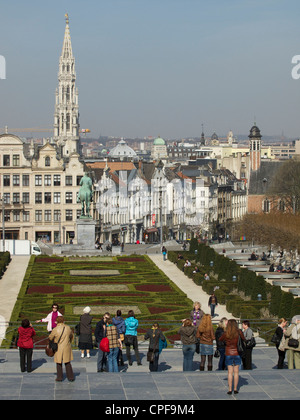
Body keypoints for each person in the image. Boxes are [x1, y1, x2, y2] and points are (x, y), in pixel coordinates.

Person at [219, 319, 246, 395]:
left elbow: (220, 339)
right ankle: (236, 388)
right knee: (236, 372)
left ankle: (230, 389)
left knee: (230, 372)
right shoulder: (238, 332)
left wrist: (226, 343)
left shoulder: (226, 333)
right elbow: (244, 339)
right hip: (237, 352)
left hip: (228, 353)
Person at [49, 316, 74, 382]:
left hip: (58, 347)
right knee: (67, 362)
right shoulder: (68, 328)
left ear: (57, 321)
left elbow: (50, 337)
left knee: (59, 362)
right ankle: (71, 377)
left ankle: (59, 377)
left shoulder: (55, 329)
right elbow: (71, 336)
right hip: (66, 346)